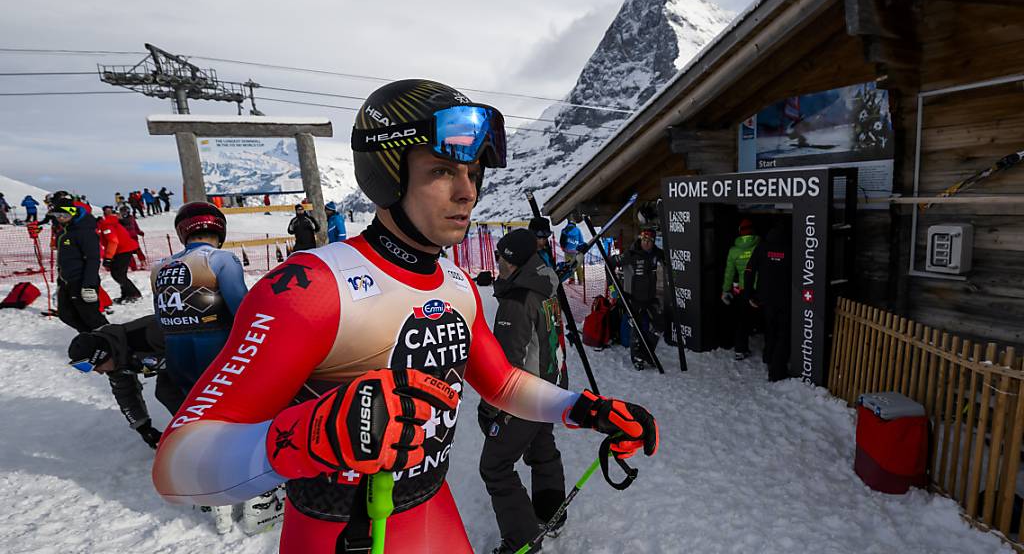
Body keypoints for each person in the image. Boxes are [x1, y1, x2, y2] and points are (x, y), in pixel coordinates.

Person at [151, 79, 658, 554]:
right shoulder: (310, 288)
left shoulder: (454, 282)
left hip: (431, 510)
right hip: (338, 531)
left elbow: (501, 383)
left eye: (473, 174)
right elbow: (176, 466)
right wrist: (305, 436)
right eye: (442, 170)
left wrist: (586, 409)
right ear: (387, 173)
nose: (468, 192)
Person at [479, 229, 568, 553]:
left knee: (495, 465)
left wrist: (490, 408)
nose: (497, 262)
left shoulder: (517, 301)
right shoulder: (544, 282)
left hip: (527, 393)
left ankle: (522, 540)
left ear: (514, 260)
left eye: (501, 256)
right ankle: (551, 514)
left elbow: (504, 365)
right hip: (551, 383)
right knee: (542, 447)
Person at [150, 202, 248, 394]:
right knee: (229, 399)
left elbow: (160, 317)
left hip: (175, 347)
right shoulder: (222, 258)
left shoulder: (160, 266)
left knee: (193, 400)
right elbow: (242, 308)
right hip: (216, 341)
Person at [67, 315, 185, 449]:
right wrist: (144, 428)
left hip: (201, 358)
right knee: (167, 392)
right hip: (175, 366)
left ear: (103, 355)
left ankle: (203, 424)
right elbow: (125, 394)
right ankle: (195, 427)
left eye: (95, 367)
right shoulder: (116, 362)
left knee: (178, 388)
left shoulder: (147, 334)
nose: (99, 372)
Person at [49, 192, 108, 332]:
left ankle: (112, 341)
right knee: (66, 314)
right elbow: (64, 260)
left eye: (64, 215)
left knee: (91, 317)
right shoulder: (65, 232)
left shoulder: (84, 231)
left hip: (81, 280)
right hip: (66, 281)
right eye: (58, 216)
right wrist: (60, 282)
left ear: (73, 213)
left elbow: (93, 259)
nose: (61, 218)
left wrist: (88, 284)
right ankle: (91, 339)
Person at [611, 227, 666, 370]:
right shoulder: (631, 254)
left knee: (659, 325)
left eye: (650, 241)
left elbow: (667, 260)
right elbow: (610, 262)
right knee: (637, 327)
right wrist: (614, 289)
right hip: (633, 298)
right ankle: (637, 357)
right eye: (645, 240)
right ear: (641, 239)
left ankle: (647, 352)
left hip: (650, 297)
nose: (647, 243)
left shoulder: (656, 253)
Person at [744, 220, 791, 381]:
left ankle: (768, 357)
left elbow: (749, 271)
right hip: (785, 299)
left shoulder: (761, 248)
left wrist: (749, 294)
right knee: (783, 334)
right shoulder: (790, 249)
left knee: (770, 329)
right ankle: (777, 372)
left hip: (765, 298)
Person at [721, 218, 760, 360]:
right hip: (761, 289)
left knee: (742, 320)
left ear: (740, 232)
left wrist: (725, 290)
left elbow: (729, 272)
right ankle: (768, 354)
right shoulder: (759, 245)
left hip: (744, 290)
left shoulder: (733, 251)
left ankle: (740, 350)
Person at [98, 205, 143, 303]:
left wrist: (108, 258)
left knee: (118, 274)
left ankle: (133, 294)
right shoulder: (113, 223)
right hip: (124, 249)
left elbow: (113, 241)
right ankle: (127, 294)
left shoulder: (106, 225)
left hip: (122, 250)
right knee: (120, 274)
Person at [558, 217, 584, 284]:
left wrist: (563, 248)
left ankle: (572, 279)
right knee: (578, 265)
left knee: (569, 265)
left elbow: (561, 241)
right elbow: (581, 241)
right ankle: (580, 280)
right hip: (576, 251)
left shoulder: (564, 230)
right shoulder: (578, 230)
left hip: (567, 251)